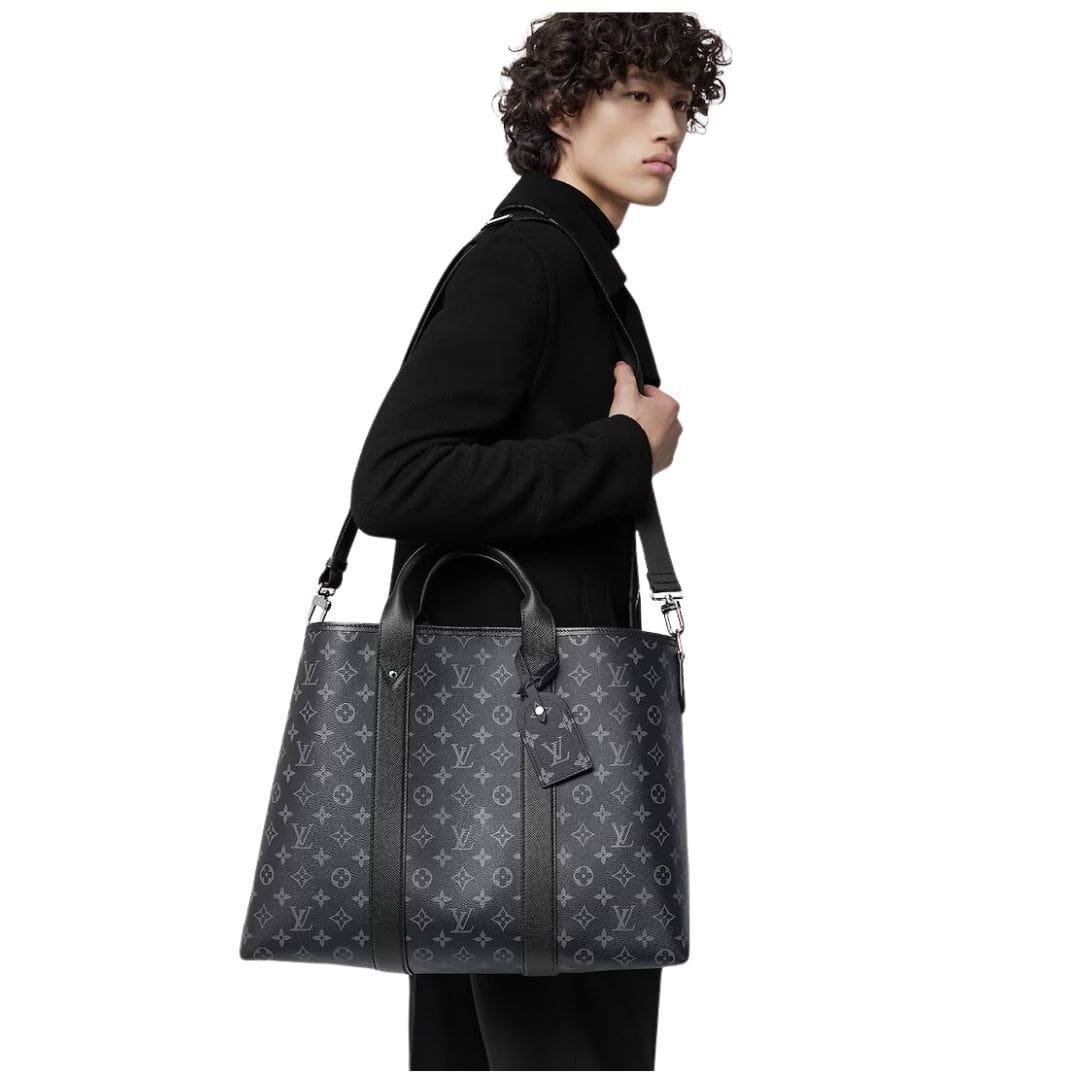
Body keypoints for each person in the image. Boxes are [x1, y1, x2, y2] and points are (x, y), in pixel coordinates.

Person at [350, 11, 729, 1071]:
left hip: (511, 749)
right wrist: (621, 449)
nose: (668, 128)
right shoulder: (524, 263)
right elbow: (396, 479)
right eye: (637, 97)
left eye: (679, 104)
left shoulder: (578, 265)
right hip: (531, 762)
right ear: (561, 111)